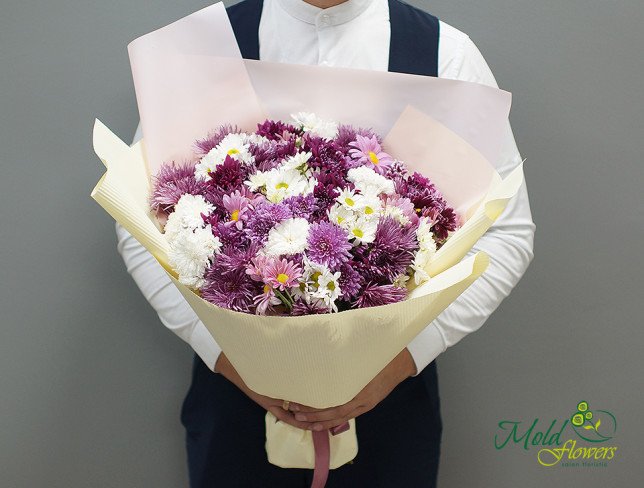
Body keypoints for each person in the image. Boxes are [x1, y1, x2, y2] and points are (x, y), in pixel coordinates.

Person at [115, 0, 535, 486]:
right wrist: (227, 356)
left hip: (390, 400)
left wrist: (403, 359)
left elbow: (506, 230)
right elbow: (140, 217)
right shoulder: (209, 47)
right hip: (234, 399)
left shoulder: (445, 54)